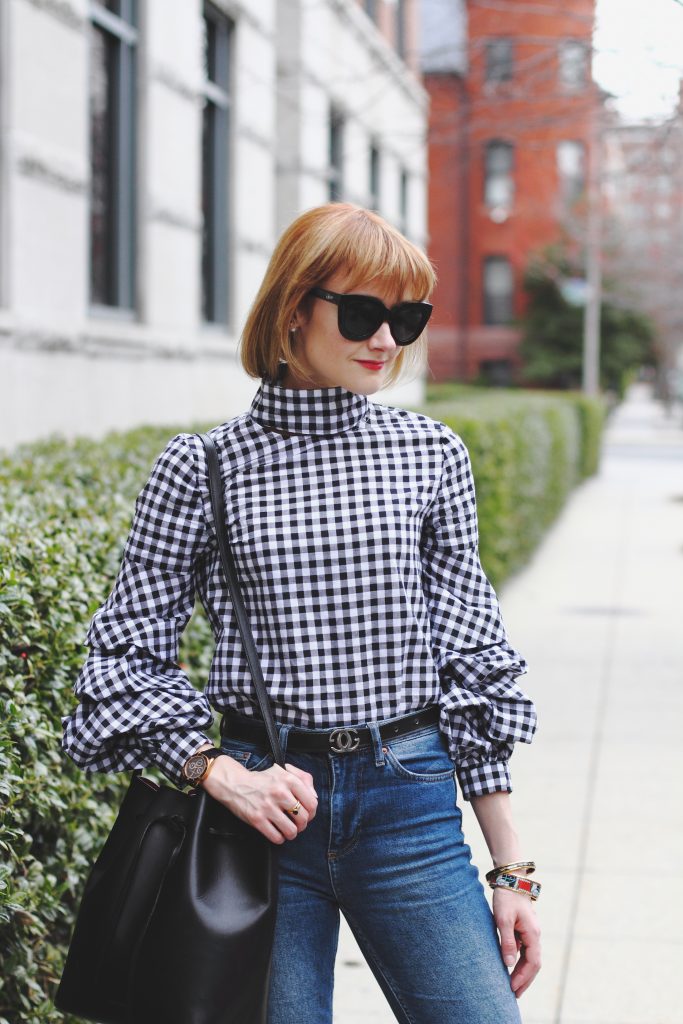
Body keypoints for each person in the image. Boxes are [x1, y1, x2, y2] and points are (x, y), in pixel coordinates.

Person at [63, 203, 541, 1023]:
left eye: (406, 317)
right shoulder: (203, 466)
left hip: (409, 804)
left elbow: (471, 663)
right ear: (294, 308)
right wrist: (220, 774)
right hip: (260, 821)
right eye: (362, 313)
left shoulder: (430, 454)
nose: (386, 339)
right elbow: (122, 658)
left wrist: (511, 872)